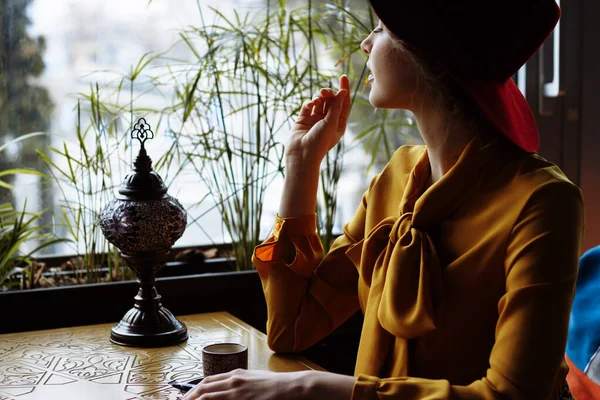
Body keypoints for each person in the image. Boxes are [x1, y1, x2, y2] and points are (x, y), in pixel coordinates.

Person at [183, 0, 584, 399]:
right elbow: (291, 329)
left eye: (380, 28)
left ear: (426, 50)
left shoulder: (545, 202)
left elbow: (512, 395)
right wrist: (302, 162)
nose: (365, 43)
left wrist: (316, 386)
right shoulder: (398, 175)